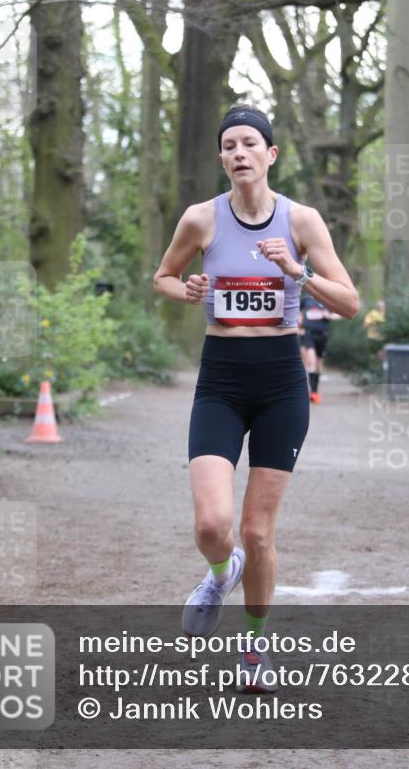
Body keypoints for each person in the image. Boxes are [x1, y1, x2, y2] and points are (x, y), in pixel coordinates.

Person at [153, 103, 359, 692]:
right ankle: (220, 574)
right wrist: (186, 289)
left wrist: (296, 271)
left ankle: (255, 649)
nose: (238, 153)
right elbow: (162, 276)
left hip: (280, 383)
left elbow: (347, 301)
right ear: (222, 159)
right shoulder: (201, 219)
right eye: (229, 145)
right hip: (220, 380)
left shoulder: (302, 221)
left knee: (258, 532)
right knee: (214, 524)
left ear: (270, 155)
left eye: (249, 143)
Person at [298, 294, 340, 404]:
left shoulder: (325, 298)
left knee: (318, 365)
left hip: (323, 335)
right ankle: (312, 392)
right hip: (308, 334)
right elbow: (297, 311)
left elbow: (341, 313)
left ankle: (315, 391)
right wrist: (299, 322)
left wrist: (329, 315)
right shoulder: (306, 299)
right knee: (310, 361)